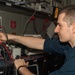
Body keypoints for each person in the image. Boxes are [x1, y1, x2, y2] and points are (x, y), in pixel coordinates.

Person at [0, 5, 75, 75]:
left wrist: (21, 68)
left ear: (73, 28)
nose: (55, 30)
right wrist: (8, 37)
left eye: (60, 25)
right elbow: (41, 43)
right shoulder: (68, 46)